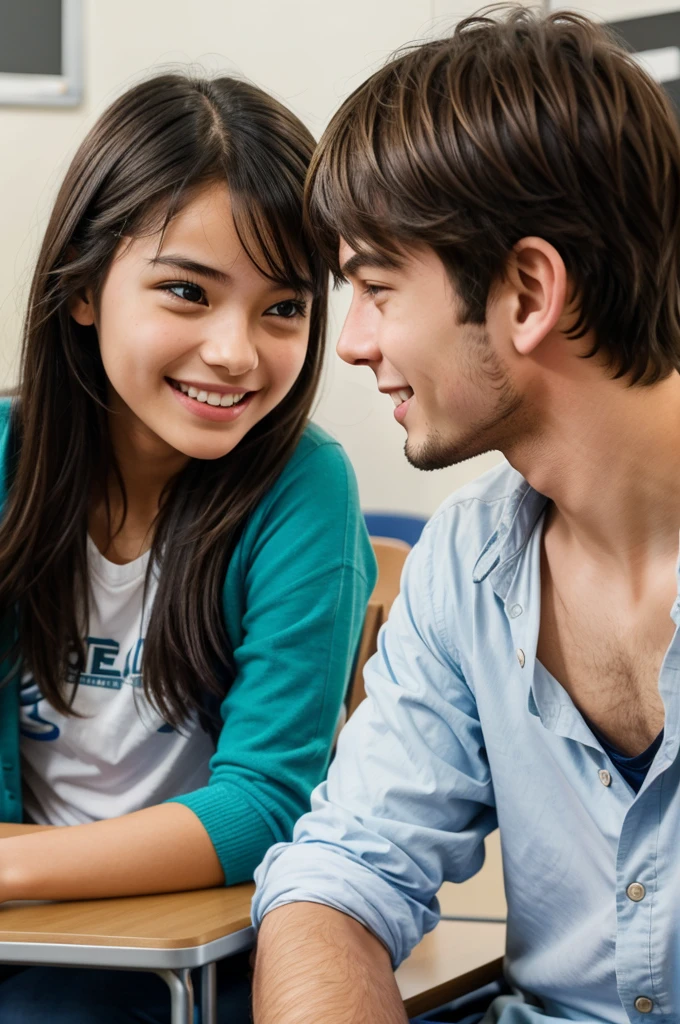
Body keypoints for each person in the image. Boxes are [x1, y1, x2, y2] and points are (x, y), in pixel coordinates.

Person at [251, 6, 680, 1023]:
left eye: (376, 286)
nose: (348, 343)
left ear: (526, 290)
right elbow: (341, 874)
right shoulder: (464, 559)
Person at [0, 72, 376, 1022]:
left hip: (181, 955)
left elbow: (264, 804)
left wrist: (13, 868)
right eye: (185, 292)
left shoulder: (304, 489)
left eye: (283, 308)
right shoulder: (7, 462)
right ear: (84, 288)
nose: (235, 352)